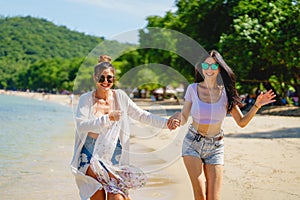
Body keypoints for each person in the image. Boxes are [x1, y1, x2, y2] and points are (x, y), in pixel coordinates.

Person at [169, 50, 276, 200]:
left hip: (215, 147)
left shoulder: (226, 93)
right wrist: (177, 118)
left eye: (214, 66)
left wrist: (257, 105)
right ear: (201, 67)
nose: (209, 69)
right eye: (206, 65)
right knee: (200, 195)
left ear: (219, 68)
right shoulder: (193, 89)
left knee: (214, 198)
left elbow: (241, 122)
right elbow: (185, 116)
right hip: (192, 143)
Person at [70, 55, 179, 200]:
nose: (105, 81)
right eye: (101, 78)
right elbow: (81, 125)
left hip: (114, 155)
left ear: (114, 79)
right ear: (94, 78)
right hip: (90, 156)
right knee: (98, 196)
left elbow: (142, 115)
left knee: (117, 198)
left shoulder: (120, 97)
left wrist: (166, 124)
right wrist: (108, 118)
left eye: (110, 78)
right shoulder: (86, 99)